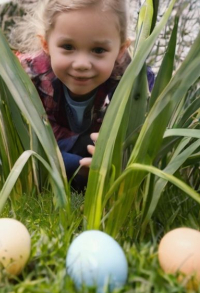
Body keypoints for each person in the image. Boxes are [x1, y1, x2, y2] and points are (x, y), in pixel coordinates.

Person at [11, 0, 155, 192]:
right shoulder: (29, 76)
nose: (81, 64)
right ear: (46, 43)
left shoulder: (131, 78)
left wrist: (114, 151)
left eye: (98, 50)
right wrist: (77, 166)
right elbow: (25, 143)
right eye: (68, 46)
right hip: (51, 150)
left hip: (95, 148)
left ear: (120, 50)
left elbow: (143, 132)